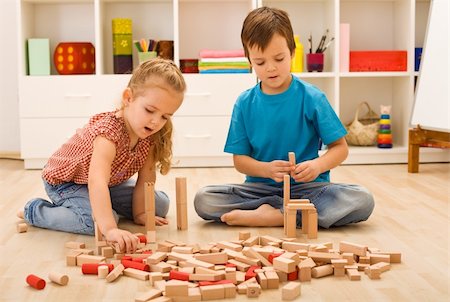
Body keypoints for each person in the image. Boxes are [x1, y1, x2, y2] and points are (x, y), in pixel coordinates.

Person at [194, 7, 374, 229]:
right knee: (204, 199)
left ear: (292, 53)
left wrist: (317, 166)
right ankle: (288, 213)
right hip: (259, 190)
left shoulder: (312, 97)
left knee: (362, 200)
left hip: (308, 189)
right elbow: (240, 161)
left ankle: (279, 215)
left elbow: (340, 148)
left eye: (278, 58)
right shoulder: (244, 103)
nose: (270, 68)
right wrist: (266, 170)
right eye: (260, 62)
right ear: (249, 60)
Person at [19, 58, 186, 253]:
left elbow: (146, 177)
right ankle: (34, 211)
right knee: (96, 224)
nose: (156, 121)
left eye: (165, 116)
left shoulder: (149, 133)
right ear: (128, 98)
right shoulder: (108, 133)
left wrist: (141, 213)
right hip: (66, 183)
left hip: (107, 183)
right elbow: (96, 181)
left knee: (158, 205)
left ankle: (104, 207)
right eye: (150, 110)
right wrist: (110, 229)